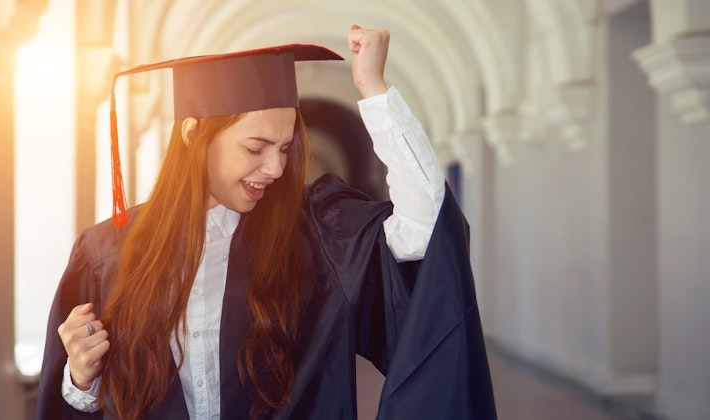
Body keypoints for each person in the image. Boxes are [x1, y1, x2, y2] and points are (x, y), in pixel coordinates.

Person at [37, 25, 496, 419]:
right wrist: (82, 379)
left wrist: (374, 89)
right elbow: (82, 404)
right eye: (256, 148)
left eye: (285, 148)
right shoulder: (105, 253)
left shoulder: (317, 235)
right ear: (193, 132)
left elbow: (426, 226)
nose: (276, 169)